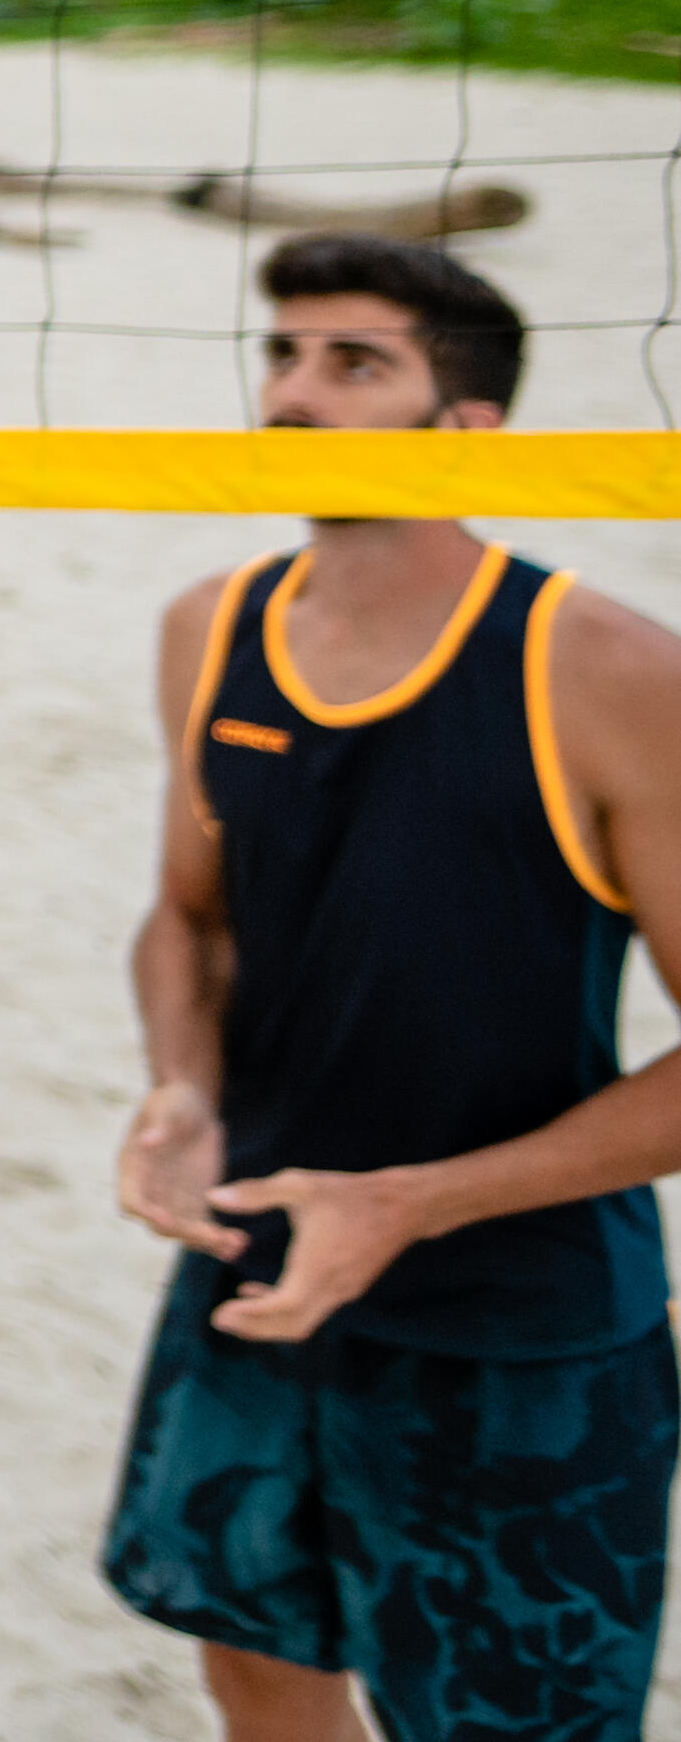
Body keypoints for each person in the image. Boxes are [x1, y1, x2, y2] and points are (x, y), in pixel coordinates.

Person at [107, 234, 681, 1739]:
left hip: (517, 1315)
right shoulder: (212, 627)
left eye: (354, 365)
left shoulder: (606, 672)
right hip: (263, 1262)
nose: (293, 396)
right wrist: (183, 1084)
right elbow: (184, 922)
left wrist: (410, 1203)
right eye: (281, 356)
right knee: (252, 1657)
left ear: (466, 431)